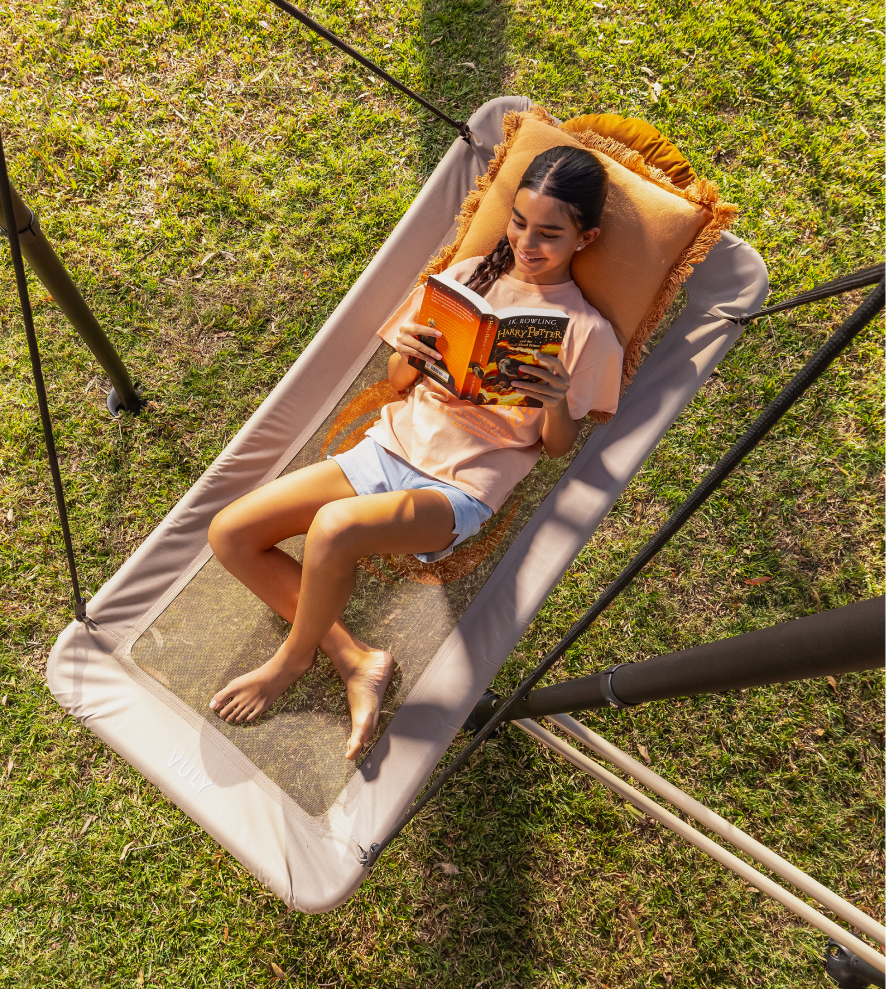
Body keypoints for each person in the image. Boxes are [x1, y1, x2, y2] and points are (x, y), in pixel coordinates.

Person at [207, 145, 623, 760]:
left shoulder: (585, 332)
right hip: (390, 447)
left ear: (585, 238)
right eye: (519, 222)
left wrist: (557, 401)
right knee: (230, 533)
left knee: (333, 528)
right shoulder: (468, 277)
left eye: (550, 234)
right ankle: (356, 661)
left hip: (459, 485)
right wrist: (408, 348)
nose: (528, 242)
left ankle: (290, 663)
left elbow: (555, 448)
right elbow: (401, 382)